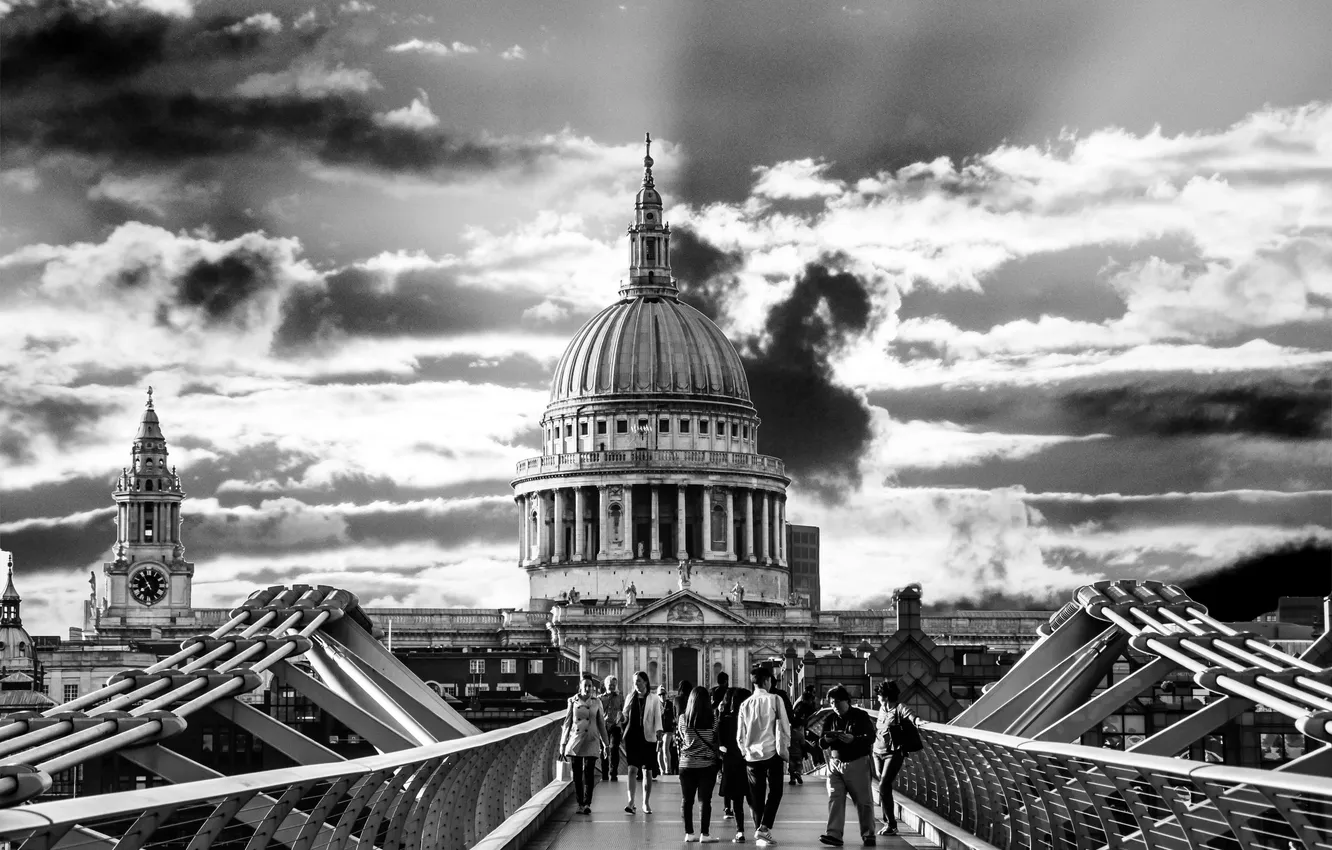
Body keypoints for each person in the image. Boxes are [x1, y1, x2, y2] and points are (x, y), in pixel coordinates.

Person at [736, 666, 790, 847]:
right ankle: (764, 828)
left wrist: (745, 752)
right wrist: (787, 750)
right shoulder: (775, 699)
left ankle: (761, 832)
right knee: (776, 792)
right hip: (772, 753)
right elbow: (785, 727)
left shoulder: (745, 704)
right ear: (767, 681)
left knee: (757, 796)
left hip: (751, 757)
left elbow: (739, 735)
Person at [818, 686, 878, 847]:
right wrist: (828, 740)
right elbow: (821, 742)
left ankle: (868, 834)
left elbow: (870, 737)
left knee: (863, 800)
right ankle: (834, 834)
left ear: (847, 701)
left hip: (857, 761)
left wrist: (854, 739)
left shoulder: (860, 716)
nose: (834, 706)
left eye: (837, 702)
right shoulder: (830, 719)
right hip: (834, 763)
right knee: (835, 798)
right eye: (831, 703)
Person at [873, 681, 919, 837]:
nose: (877, 698)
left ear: (885, 696)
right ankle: (888, 821)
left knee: (884, 784)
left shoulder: (899, 708)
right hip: (877, 751)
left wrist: (918, 721)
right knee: (883, 786)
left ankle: (891, 824)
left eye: (879, 695)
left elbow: (910, 714)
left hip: (893, 752)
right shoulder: (881, 708)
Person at [560, 676, 610, 815]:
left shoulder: (597, 702)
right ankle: (580, 803)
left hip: (592, 740)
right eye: (585, 685)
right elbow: (567, 723)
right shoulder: (572, 701)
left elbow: (601, 724)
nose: (588, 688)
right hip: (576, 740)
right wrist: (563, 744)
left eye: (590, 686)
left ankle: (587, 803)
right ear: (580, 687)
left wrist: (606, 744)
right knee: (577, 775)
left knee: (589, 773)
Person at [678, 685, 722, 843]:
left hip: (686, 764)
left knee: (686, 800)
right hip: (706, 764)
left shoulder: (683, 718)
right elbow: (714, 739)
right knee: (705, 800)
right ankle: (705, 834)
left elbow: (683, 737)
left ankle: (689, 833)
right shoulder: (713, 719)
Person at [623, 670, 664, 814]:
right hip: (632, 737)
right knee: (632, 769)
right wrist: (620, 720)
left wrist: (659, 732)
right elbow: (624, 716)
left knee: (647, 771)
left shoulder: (654, 699)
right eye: (635, 682)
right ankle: (631, 801)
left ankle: (645, 803)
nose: (636, 684)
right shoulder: (629, 697)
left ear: (645, 682)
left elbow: (658, 717)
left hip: (648, 737)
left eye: (639, 681)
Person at [715, 686, 751, 841]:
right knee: (753, 798)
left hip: (731, 762)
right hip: (749, 761)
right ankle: (759, 828)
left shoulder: (725, 720)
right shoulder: (750, 719)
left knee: (737, 800)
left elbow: (719, 742)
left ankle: (740, 831)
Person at [789, 685, 819, 783]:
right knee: (799, 763)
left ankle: (792, 778)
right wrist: (805, 752)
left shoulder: (790, 734)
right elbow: (803, 743)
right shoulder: (802, 705)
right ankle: (799, 773)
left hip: (791, 752)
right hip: (799, 750)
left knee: (792, 764)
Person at [600, 675, 625, 780]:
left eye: (614, 685)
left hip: (616, 726)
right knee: (603, 749)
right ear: (606, 685)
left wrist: (622, 718)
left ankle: (613, 772)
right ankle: (604, 773)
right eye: (610, 685)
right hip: (604, 725)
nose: (612, 687)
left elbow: (624, 712)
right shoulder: (600, 698)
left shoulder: (620, 698)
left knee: (614, 748)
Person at [659, 684, 679, 776]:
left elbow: (674, 717)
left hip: (668, 730)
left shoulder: (670, 705)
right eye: (660, 694)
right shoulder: (657, 705)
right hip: (659, 731)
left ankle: (668, 769)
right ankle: (662, 770)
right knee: (659, 751)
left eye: (663, 694)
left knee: (665, 748)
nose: (662, 696)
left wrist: (675, 729)